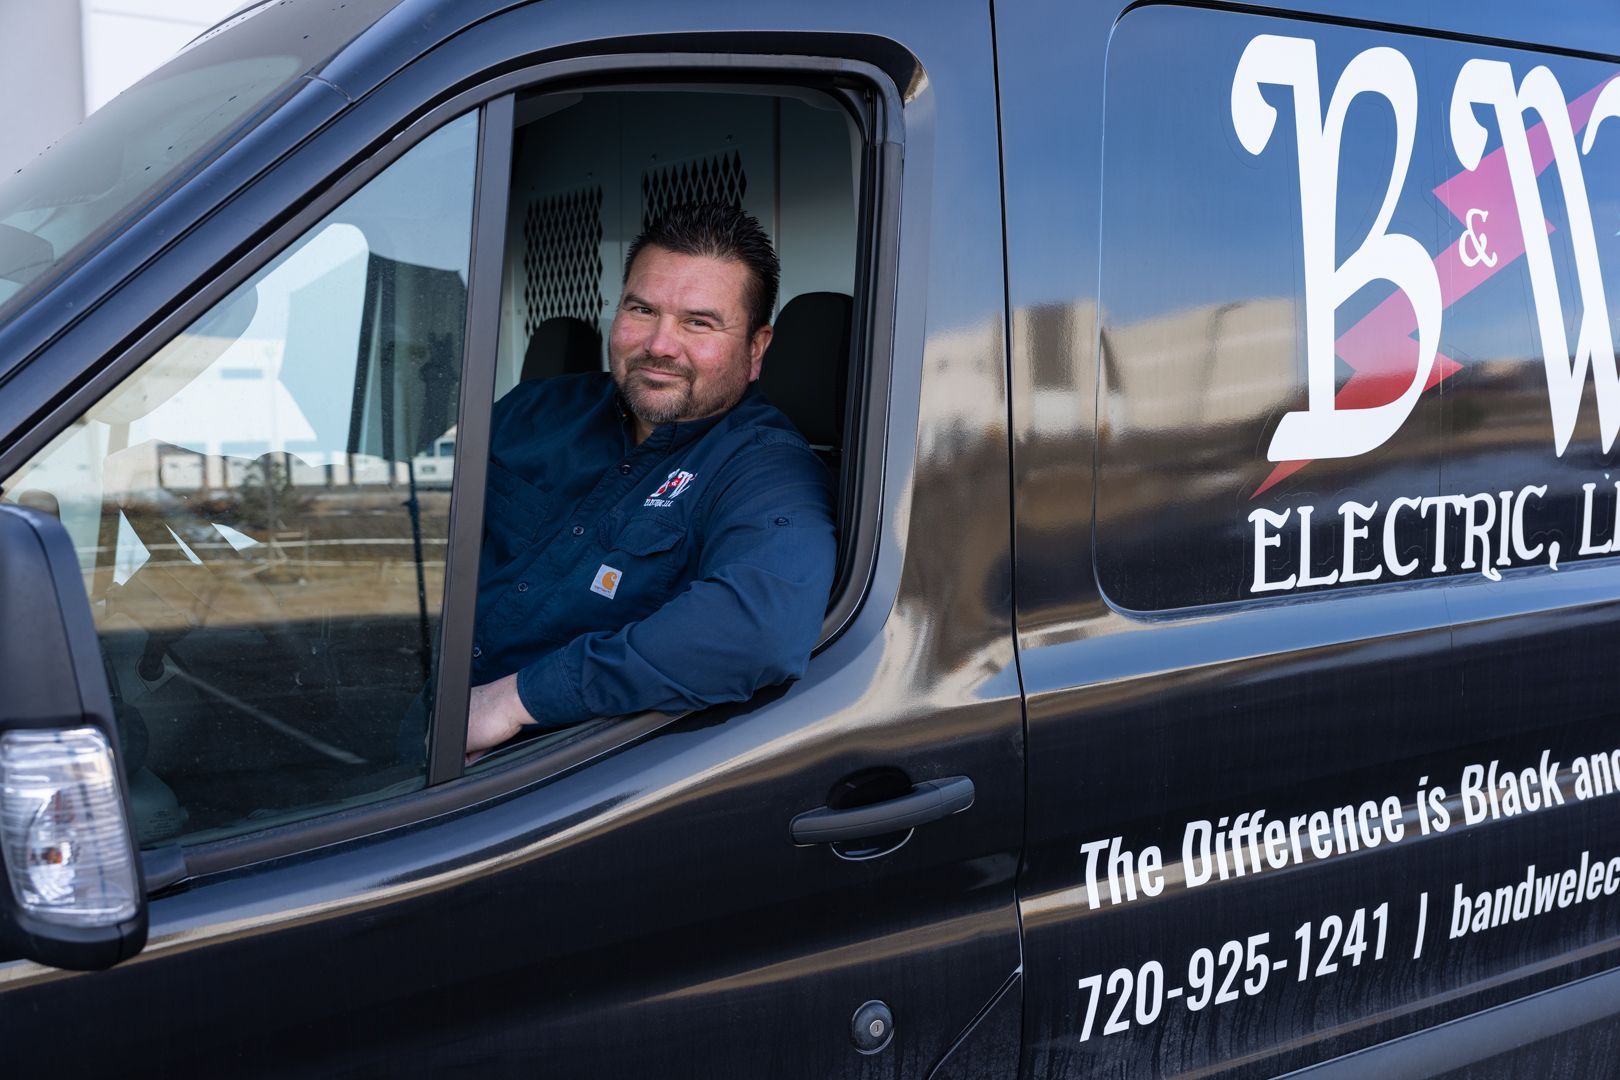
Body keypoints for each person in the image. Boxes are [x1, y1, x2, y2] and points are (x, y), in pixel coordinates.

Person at [463, 202, 836, 756]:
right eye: (642, 310)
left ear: (756, 350)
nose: (660, 344)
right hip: (414, 717)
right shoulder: (534, 410)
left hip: (541, 779)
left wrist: (514, 700)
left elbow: (757, 629)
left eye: (699, 322)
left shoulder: (766, 470)